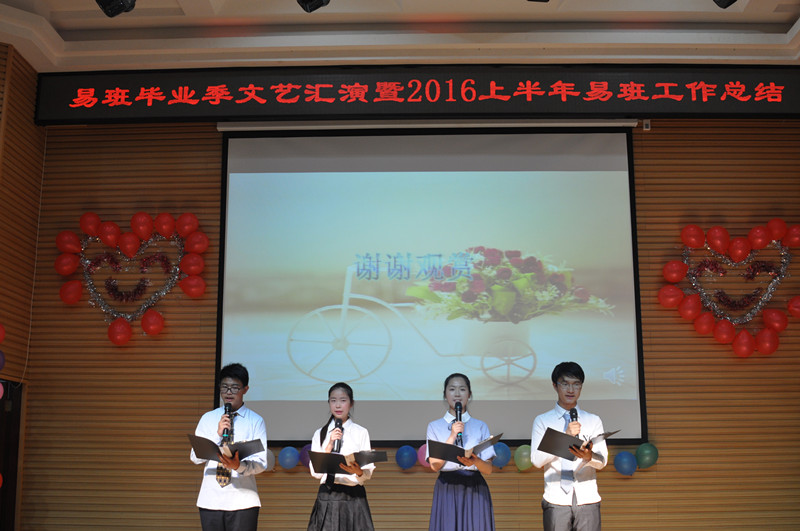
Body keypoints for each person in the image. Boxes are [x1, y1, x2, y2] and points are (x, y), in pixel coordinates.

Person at [190, 363, 268, 531]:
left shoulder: (256, 421)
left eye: (234, 388)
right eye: (224, 387)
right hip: (210, 500)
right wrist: (217, 434)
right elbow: (194, 457)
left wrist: (238, 466)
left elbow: (261, 463)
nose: (228, 392)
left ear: (245, 389)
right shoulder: (208, 418)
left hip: (243, 500)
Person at [531, 361, 608, 531]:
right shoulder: (543, 421)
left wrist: (589, 457)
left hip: (587, 497)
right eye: (565, 384)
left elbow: (602, 461)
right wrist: (564, 437)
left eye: (576, 384)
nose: (571, 390)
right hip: (555, 498)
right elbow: (536, 460)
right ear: (555, 386)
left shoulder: (593, 420)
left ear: (581, 386)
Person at [426, 373, 496, 531]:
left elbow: (488, 469)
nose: (457, 394)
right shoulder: (434, 426)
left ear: (469, 394)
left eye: (462, 389)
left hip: (475, 487)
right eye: (452, 389)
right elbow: (435, 465)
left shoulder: (480, 426)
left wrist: (475, 461)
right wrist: (452, 436)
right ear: (445, 394)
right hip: (447, 487)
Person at [307, 382, 376, 531]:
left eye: (343, 400)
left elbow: (367, 472)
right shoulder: (321, 433)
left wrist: (358, 471)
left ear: (351, 403)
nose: (338, 405)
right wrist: (329, 446)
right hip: (328, 495)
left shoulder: (361, 432)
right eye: (333, 400)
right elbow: (315, 473)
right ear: (329, 403)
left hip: (354, 495)